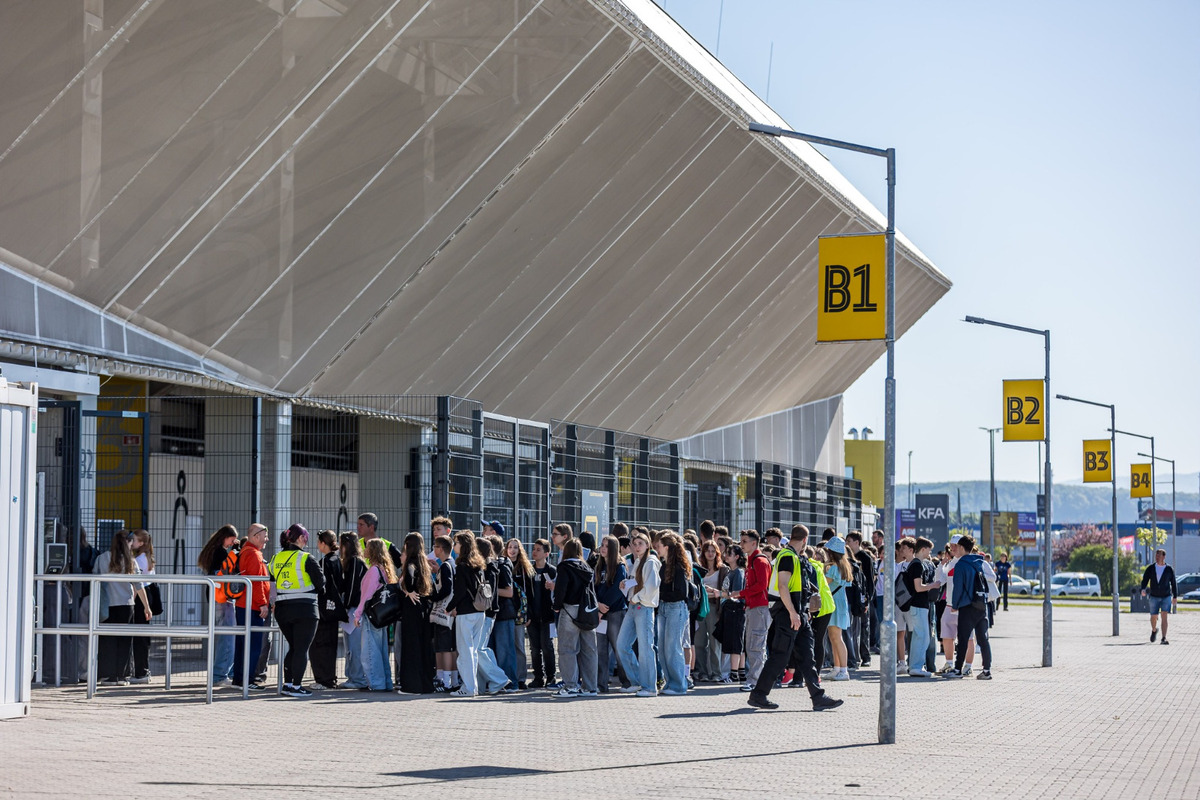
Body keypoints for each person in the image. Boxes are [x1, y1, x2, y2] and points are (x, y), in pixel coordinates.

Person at [747, 525, 842, 711]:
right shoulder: (787, 556)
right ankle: (758, 695)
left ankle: (818, 696)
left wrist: (801, 613)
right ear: (805, 540)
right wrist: (792, 613)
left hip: (798, 615)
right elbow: (782, 586)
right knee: (780, 657)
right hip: (788, 615)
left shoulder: (796, 557)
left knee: (808, 656)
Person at [268, 524, 324, 697]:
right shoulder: (306, 558)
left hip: (282, 610)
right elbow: (321, 584)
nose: (306, 542)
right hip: (305, 609)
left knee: (294, 647)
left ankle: (288, 684)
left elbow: (272, 584)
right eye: (305, 538)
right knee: (301, 649)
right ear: (300, 539)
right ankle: (296, 687)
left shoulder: (275, 558)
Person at [94, 532, 151, 686]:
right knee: (124, 641)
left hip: (108, 605)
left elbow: (94, 579)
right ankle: (121, 676)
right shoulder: (131, 561)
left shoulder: (102, 558)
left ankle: (108, 676)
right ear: (129, 542)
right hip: (126, 605)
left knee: (108, 641)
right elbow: (139, 585)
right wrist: (147, 607)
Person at [552, 537, 598, 698]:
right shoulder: (587, 568)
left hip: (569, 609)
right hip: (587, 610)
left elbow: (560, 589)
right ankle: (591, 687)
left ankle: (571, 685)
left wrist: (556, 606)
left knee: (567, 649)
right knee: (589, 650)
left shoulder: (564, 567)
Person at [615, 531, 659, 697]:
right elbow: (639, 582)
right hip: (634, 607)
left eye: (641, 543)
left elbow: (652, 586)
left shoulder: (651, 562)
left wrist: (636, 597)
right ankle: (637, 681)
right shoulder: (639, 561)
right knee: (622, 644)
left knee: (646, 647)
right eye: (634, 544)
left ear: (647, 545)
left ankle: (650, 687)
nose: (637, 546)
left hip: (644, 607)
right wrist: (626, 584)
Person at [447, 531, 489, 697]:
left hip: (466, 613)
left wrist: (448, 607)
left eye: (456, 543)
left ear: (462, 546)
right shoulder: (478, 564)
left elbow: (459, 593)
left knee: (465, 651)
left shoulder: (462, 567)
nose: (454, 546)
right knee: (473, 652)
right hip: (480, 612)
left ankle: (468, 688)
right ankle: (473, 686)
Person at [197, 525, 240, 686]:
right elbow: (226, 569)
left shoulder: (212, 551)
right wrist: (236, 551)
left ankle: (221, 673)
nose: (232, 543)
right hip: (222, 598)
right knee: (227, 636)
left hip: (215, 596)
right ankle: (220, 675)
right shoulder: (220, 552)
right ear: (225, 537)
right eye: (231, 539)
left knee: (224, 635)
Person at [947, 535, 992, 680]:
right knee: (983, 639)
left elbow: (958, 588)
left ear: (961, 547)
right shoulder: (980, 562)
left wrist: (955, 605)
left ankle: (958, 669)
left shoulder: (961, 564)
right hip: (981, 604)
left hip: (967, 606)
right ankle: (986, 670)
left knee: (963, 638)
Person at [354, 539, 396, 692]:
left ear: (372, 551)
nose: (364, 550)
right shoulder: (384, 569)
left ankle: (376, 684)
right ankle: (385, 682)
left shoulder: (373, 571)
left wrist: (357, 614)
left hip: (370, 616)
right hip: (381, 617)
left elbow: (366, 596)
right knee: (381, 650)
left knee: (370, 652)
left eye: (367, 548)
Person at [232, 523, 271, 691]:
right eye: (265, 536)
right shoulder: (254, 555)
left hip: (243, 605)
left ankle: (239, 679)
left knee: (242, 644)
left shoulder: (245, 552)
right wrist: (263, 603)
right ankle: (247, 680)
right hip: (252, 606)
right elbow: (257, 583)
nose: (267, 539)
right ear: (256, 536)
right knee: (253, 645)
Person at [397, 532, 435, 693]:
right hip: (423, 609)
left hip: (411, 610)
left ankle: (411, 685)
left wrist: (408, 590)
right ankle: (425, 684)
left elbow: (409, 580)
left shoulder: (411, 563)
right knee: (423, 647)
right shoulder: (424, 564)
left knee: (411, 648)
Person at [654, 533, 691, 696]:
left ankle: (679, 685)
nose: (657, 548)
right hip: (664, 608)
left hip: (676, 608)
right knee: (662, 648)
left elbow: (681, 593)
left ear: (667, 547)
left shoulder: (678, 567)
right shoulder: (664, 565)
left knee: (672, 647)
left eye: (659, 545)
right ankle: (670, 682)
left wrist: (659, 595)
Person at [475, 537, 512, 693]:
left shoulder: (490, 566)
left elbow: (489, 591)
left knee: (478, 649)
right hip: (489, 611)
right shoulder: (492, 565)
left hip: (487, 611)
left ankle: (500, 679)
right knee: (484, 649)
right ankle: (487, 684)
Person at [593, 535, 629, 692]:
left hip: (615, 613)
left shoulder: (619, 567)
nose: (603, 548)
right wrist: (598, 606)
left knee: (618, 648)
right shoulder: (598, 566)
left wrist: (604, 606)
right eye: (602, 545)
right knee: (600, 650)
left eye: (607, 546)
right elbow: (593, 588)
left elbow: (617, 590)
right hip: (601, 614)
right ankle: (601, 684)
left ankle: (627, 682)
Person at [310, 530, 344, 690]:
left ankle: (323, 680)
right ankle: (330, 678)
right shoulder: (337, 560)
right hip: (334, 608)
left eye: (319, 542)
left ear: (324, 543)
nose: (317, 545)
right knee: (331, 644)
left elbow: (320, 585)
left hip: (324, 609)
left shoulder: (324, 562)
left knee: (320, 645)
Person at [901, 537, 939, 678]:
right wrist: (933, 585)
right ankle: (916, 666)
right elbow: (918, 587)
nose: (929, 554)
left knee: (921, 636)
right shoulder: (917, 565)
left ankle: (916, 665)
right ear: (923, 549)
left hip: (918, 605)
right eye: (929, 550)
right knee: (922, 636)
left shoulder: (915, 564)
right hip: (918, 605)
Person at [486, 531, 519, 690]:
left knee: (505, 651)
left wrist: (489, 590)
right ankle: (497, 682)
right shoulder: (490, 564)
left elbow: (509, 592)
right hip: (493, 613)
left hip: (504, 614)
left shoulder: (503, 565)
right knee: (492, 651)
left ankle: (511, 682)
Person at [739, 529, 771, 692]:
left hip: (759, 608)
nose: (741, 544)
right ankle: (757, 680)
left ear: (754, 543)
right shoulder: (752, 560)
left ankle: (755, 681)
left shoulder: (759, 561)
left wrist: (741, 593)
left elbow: (761, 585)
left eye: (744, 541)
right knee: (753, 645)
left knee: (756, 646)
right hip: (753, 607)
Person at [337, 533, 369, 689]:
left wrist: (346, 606)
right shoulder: (353, 562)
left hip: (354, 609)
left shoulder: (355, 562)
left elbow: (352, 588)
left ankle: (357, 678)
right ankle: (352, 677)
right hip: (353, 608)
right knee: (350, 646)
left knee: (354, 646)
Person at [694, 540, 727, 683]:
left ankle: (716, 672)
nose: (710, 553)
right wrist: (708, 593)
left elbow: (724, 592)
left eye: (713, 551)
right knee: (699, 641)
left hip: (714, 608)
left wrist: (711, 593)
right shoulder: (698, 568)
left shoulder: (722, 570)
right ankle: (702, 671)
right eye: (707, 550)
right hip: (700, 608)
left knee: (715, 643)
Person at [527, 538, 557, 688]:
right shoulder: (529, 571)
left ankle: (551, 677)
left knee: (547, 646)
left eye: (538, 550)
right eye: (534, 549)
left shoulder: (552, 571)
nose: (534, 552)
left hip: (547, 617)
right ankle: (538, 677)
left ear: (546, 553)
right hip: (533, 616)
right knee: (534, 648)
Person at [430, 533, 458, 692]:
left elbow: (446, 588)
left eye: (435, 546)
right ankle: (452, 679)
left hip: (445, 611)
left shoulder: (446, 566)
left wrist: (432, 597)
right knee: (450, 647)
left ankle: (443, 680)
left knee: (443, 647)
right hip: (450, 613)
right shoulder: (450, 564)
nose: (434, 549)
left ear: (441, 548)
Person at [822, 537, 853, 681]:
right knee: (834, 638)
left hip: (834, 604)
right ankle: (838, 668)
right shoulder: (842, 566)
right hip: (839, 603)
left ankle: (843, 670)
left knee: (836, 638)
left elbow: (823, 584)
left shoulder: (834, 568)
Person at [129, 530, 156, 684]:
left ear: (141, 543)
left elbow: (136, 583)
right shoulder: (148, 557)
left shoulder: (138, 560)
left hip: (140, 596)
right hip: (147, 594)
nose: (131, 542)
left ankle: (141, 672)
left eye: (134, 540)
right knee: (143, 634)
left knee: (139, 635)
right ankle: (143, 670)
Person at [507, 538, 535, 689]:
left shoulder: (525, 569)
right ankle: (508, 677)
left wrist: (528, 614)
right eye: (510, 547)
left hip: (520, 613)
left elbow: (530, 594)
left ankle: (521, 677)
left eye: (515, 548)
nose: (512, 550)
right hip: (505, 613)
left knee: (519, 645)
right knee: (507, 645)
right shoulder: (503, 565)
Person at [718, 545, 746, 684]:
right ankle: (737, 672)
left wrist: (720, 594)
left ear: (737, 557)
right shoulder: (730, 572)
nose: (726, 555)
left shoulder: (738, 572)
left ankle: (734, 673)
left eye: (730, 553)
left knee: (736, 642)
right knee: (732, 641)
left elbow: (737, 593)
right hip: (729, 609)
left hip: (736, 609)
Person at [846, 532, 874, 668]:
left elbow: (870, 580)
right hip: (851, 596)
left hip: (862, 597)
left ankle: (865, 656)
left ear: (857, 542)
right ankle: (853, 655)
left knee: (864, 627)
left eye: (849, 541)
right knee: (852, 628)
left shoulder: (865, 558)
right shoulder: (847, 557)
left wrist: (868, 599)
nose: (847, 544)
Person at [1141, 549, 1178, 645]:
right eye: (1156, 556)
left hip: (1166, 596)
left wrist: (1175, 596)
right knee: (1153, 617)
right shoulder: (1151, 568)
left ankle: (1163, 638)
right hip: (1154, 596)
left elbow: (1173, 583)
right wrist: (1143, 589)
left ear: (1164, 557)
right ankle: (1154, 630)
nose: (1157, 558)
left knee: (1164, 616)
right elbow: (1145, 579)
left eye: (1159, 556)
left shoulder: (1169, 569)